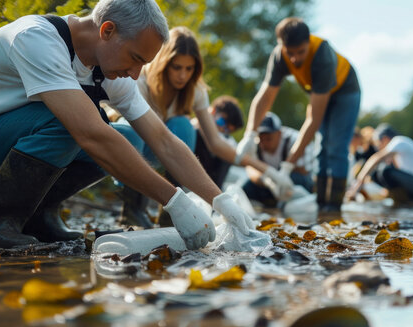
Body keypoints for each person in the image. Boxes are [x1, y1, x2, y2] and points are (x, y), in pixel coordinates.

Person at [0, 0, 252, 250]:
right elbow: (90, 134)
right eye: (134, 58)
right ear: (107, 31)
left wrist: (221, 201)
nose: (135, 75)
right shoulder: (36, 38)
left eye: (142, 65)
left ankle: (38, 217)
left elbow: (163, 140)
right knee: (79, 125)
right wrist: (175, 202)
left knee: (129, 139)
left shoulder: (107, 68)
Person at [118, 26, 293, 227]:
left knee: (183, 126)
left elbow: (216, 143)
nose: (183, 76)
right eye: (177, 67)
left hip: (164, 150)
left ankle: (168, 213)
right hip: (131, 148)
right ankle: (132, 209)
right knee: (132, 131)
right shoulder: (141, 81)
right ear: (164, 63)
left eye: (189, 69)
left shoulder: (195, 91)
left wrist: (268, 172)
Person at [235, 17, 361, 212]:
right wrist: (250, 134)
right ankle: (320, 205)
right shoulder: (279, 56)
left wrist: (287, 167)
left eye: (300, 52)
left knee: (335, 147)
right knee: (321, 148)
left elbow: (313, 120)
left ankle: (334, 208)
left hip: (346, 91)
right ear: (281, 46)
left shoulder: (322, 56)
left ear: (308, 42)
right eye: (289, 52)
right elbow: (265, 97)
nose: (294, 59)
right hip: (318, 92)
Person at [346, 123, 413, 204]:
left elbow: (376, 158)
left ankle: (402, 199)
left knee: (384, 171)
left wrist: (358, 184)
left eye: (379, 144)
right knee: (376, 173)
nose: (378, 148)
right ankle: (403, 200)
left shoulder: (399, 141)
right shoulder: (399, 153)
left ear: (385, 139)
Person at [242, 112, 316, 207]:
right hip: (266, 182)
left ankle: (287, 204)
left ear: (279, 133)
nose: (264, 143)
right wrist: (267, 181)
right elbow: (249, 167)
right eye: (261, 139)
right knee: (246, 187)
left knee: (297, 180)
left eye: (268, 139)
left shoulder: (294, 140)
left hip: (292, 179)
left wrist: (283, 175)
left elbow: (305, 170)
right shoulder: (254, 144)